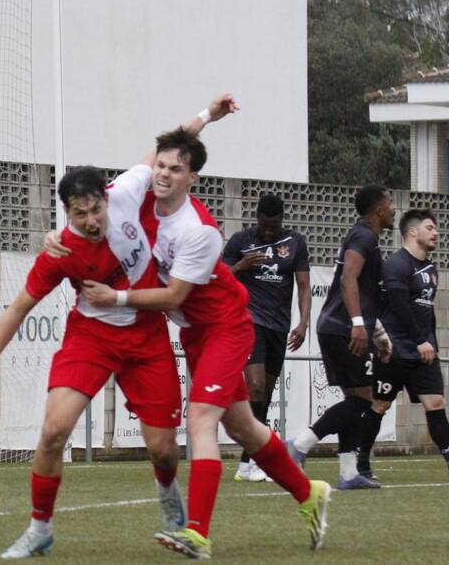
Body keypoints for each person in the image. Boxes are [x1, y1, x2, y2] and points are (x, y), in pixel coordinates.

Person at [44, 105, 330, 560]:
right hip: (196, 333)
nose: (163, 173)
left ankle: (195, 531)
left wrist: (114, 299)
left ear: (192, 178)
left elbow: (174, 298)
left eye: (176, 169)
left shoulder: (199, 231)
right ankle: (309, 492)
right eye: (160, 165)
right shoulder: (136, 192)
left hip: (225, 327)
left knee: (200, 422)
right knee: (244, 428)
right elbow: (104, 195)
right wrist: (206, 115)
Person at [0, 104, 227, 560]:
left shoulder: (127, 187)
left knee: (164, 450)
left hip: (146, 336)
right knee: (53, 430)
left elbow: (171, 148)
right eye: (80, 213)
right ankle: (40, 528)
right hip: (91, 338)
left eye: (96, 209)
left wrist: (207, 114)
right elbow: (20, 307)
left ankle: (168, 497)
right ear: (67, 212)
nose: (91, 220)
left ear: (107, 196)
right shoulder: (60, 251)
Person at [354, 209, 449, 481]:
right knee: (380, 405)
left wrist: (431, 342)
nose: (436, 232)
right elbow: (400, 307)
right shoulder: (396, 264)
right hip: (394, 350)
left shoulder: (430, 267)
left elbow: (427, 311)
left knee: (435, 402)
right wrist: (419, 340)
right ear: (413, 232)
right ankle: (360, 464)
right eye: (430, 227)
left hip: (423, 350)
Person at [287, 185, 395, 489]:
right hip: (343, 329)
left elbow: (364, 293)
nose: (393, 209)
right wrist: (358, 325)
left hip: (341, 327)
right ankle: (300, 445)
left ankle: (348, 473)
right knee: (364, 399)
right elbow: (348, 278)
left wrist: (380, 338)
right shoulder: (365, 236)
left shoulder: (364, 236)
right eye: (390, 203)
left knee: (354, 398)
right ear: (378, 210)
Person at [222, 193, 311, 482]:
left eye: (274, 225)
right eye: (264, 224)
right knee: (256, 387)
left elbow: (304, 286)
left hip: (279, 327)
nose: (269, 230)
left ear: (281, 220)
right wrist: (241, 266)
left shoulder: (295, 242)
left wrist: (303, 323)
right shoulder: (241, 241)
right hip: (249, 322)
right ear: (257, 218)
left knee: (266, 393)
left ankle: (248, 462)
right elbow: (219, 277)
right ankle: (259, 458)